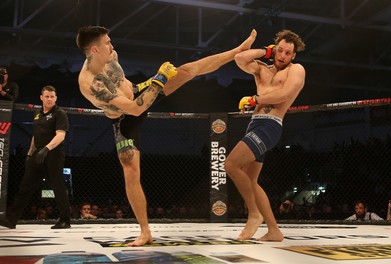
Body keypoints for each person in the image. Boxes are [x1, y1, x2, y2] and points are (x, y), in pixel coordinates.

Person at [76, 25, 256, 246]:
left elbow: (131, 89)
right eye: (107, 43)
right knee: (131, 171)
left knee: (188, 70)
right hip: (125, 117)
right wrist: (159, 79)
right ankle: (145, 231)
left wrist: (153, 83)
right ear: (94, 50)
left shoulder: (111, 56)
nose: (112, 46)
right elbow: (134, 109)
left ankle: (237, 50)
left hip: (139, 93)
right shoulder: (90, 84)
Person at [224, 29, 306, 242]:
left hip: (270, 126)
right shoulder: (262, 69)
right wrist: (263, 51)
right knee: (251, 181)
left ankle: (254, 213)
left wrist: (255, 99)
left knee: (231, 164)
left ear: (293, 56)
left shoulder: (296, 70)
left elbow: (285, 94)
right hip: (254, 125)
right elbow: (239, 58)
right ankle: (274, 230)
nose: (282, 56)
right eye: (279, 51)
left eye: (288, 53)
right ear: (274, 49)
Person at [0, 85, 71, 229]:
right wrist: (29, 153)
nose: (49, 99)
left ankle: (65, 220)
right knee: (25, 186)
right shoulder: (38, 113)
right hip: (37, 154)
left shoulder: (59, 113)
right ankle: (11, 220)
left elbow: (61, 135)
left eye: (52, 96)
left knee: (58, 186)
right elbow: (35, 135)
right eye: (47, 96)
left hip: (53, 154)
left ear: (56, 98)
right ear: (41, 97)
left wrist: (46, 149)